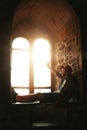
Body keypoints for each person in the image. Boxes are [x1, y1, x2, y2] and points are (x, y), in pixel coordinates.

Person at [10, 64, 80, 103]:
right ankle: (17, 97)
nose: (62, 71)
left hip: (58, 96)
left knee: (38, 95)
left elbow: (71, 93)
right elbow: (57, 73)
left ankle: (17, 97)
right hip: (56, 95)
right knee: (38, 95)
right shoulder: (64, 78)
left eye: (64, 70)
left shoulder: (71, 80)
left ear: (67, 71)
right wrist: (49, 67)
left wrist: (61, 101)